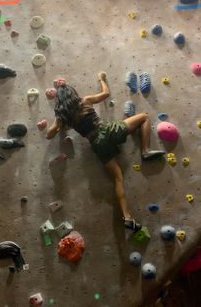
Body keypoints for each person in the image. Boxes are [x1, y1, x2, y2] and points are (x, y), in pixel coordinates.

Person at [46, 73, 165, 231]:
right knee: (143, 117)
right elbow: (106, 94)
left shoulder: (63, 117)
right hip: (108, 131)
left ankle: (127, 216)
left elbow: (49, 134)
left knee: (118, 178)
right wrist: (102, 79)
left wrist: (58, 119)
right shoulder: (85, 101)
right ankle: (145, 151)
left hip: (97, 143)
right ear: (73, 93)